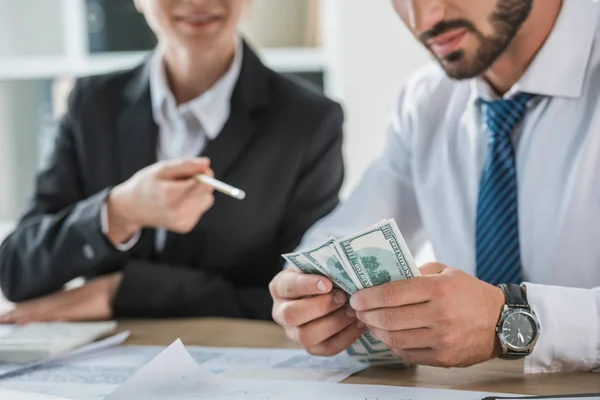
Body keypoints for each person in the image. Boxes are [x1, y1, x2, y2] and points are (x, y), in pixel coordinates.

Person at [269, 0, 600, 373]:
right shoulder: (426, 100)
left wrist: (511, 318)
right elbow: (348, 232)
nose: (424, 19)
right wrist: (304, 293)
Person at [0, 0, 344, 323]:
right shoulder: (92, 104)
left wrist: (121, 291)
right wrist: (118, 212)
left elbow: (305, 298)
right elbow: (16, 271)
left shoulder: (309, 122)